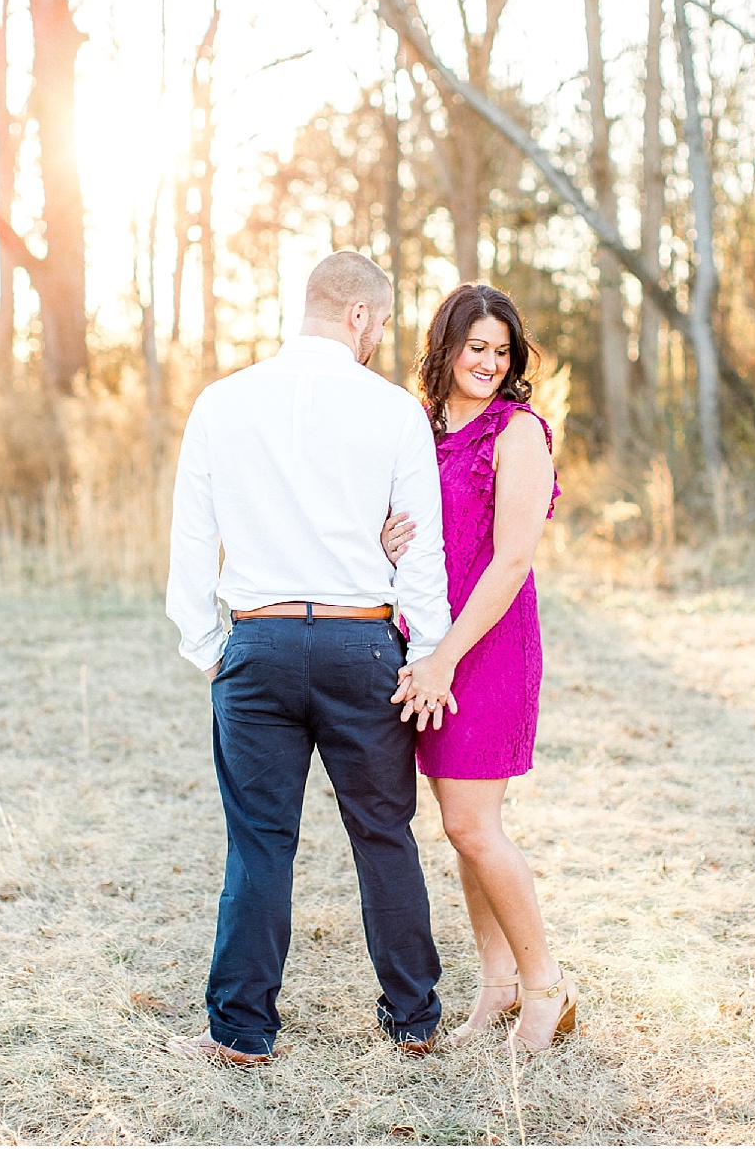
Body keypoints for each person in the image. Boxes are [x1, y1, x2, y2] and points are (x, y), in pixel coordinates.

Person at [163, 251, 457, 1067]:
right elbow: (422, 549)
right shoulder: (393, 411)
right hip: (362, 642)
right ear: (359, 315)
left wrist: (208, 645)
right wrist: (425, 650)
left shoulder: (221, 403)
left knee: (259, 841)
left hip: (255, 642)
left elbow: (191, 537)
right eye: (384, 322)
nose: (382, 338)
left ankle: (242, 1031)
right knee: (382, 832)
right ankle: (414, 1019)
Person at [382, 282, 573, 1054]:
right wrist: (391, 547)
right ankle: (496, 983)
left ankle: (546, 988)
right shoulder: (424, 429)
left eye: (502, 350)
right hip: (430, 644)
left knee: (472, 823)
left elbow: (513, 557)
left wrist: (445, 658)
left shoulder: (517, 431)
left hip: (482, 647)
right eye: (476, 348)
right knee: (462, 829)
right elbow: (425, 534)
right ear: (447, 349)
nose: (490, 362)